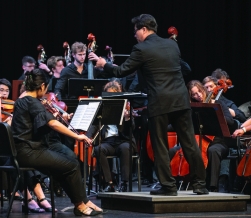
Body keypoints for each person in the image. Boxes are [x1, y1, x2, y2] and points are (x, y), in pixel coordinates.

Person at [88, 13, 208, 196]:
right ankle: (200, 185)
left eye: (136, 31)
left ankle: (168, 186)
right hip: (181, 100)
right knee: (190, 142)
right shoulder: (172, 44)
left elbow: (121, 71)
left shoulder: (141, 49)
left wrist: (104, 64)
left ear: (144, 29)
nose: (134, 35)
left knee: (159, 145)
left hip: (159, 101)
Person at [11, 69, 103, 216]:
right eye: (46, 88)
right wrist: (77, 136)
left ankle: (83, 201)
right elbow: (52, 123)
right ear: (42, 86)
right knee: (71, 165)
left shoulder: (22, 100)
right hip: (28, 151)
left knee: (66, 163)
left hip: (25, 150)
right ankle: (80, 204)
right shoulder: (31, 101)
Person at [86, 80, 136, 192]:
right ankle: (109, 183)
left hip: (123, 140)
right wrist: (88, 137)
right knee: (99, 149)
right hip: (108, 141)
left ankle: (124, 183)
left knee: (125, 148)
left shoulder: (126, 105)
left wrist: (127, 118)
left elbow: (131, 129)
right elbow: (94, 125)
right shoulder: (102, 107)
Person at [187, 80, 237, 191]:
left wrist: (217, 114)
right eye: (194, 94)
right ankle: (191, 182)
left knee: (213, 151)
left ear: (203, 90)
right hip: (201, 141)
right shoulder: (194, 108)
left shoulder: (218, 103)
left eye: (199, 91)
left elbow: (230, 121)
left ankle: (213, 186)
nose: (198, 95)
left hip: (220, 142)